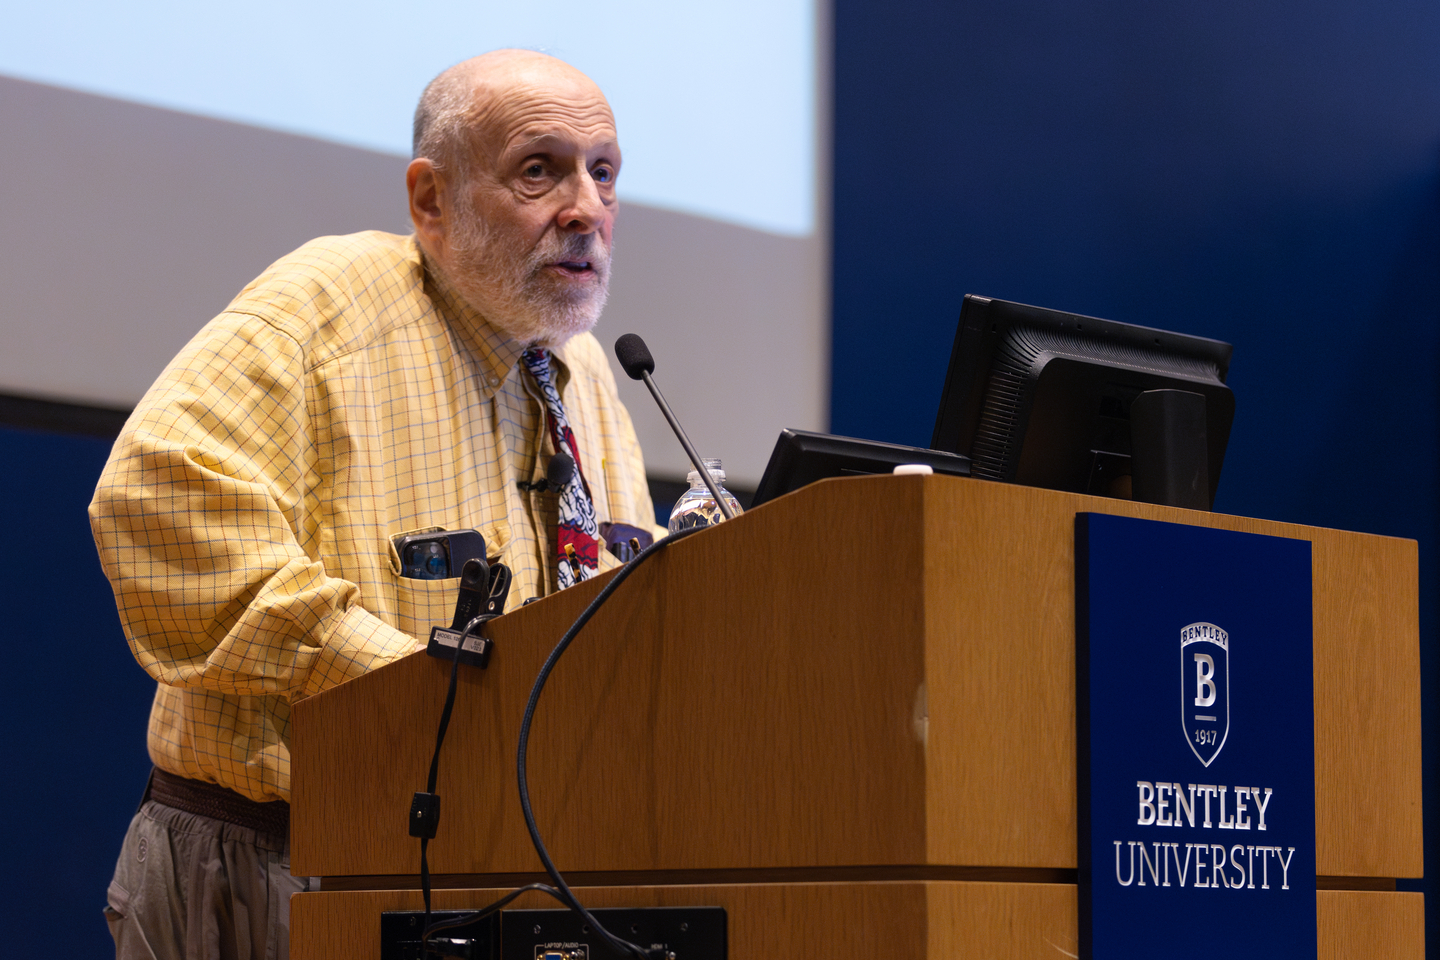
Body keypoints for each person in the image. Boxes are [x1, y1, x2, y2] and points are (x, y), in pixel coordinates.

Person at [89, 50, 657, 960]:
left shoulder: (584, 368)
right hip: (277, 863)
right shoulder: (326, 305)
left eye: (603, 172)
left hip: (496, 870)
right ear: (432, 200)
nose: (585, 207)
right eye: (539, 171)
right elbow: (157, 499)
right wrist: (399, 682)